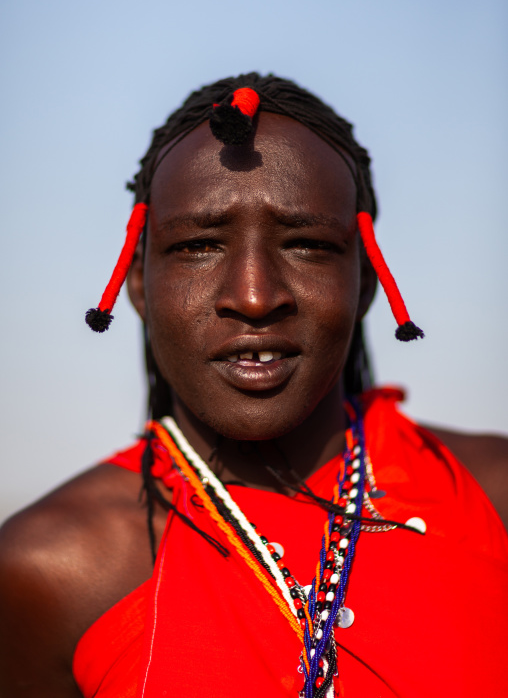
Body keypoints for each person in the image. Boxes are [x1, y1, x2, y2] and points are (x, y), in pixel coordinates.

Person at [0, 73, 507, 698]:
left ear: (366, 285)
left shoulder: (490, 497)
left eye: (308, 245)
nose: (254, 296)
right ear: (137, 286)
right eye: (199, 246)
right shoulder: (52, 570)